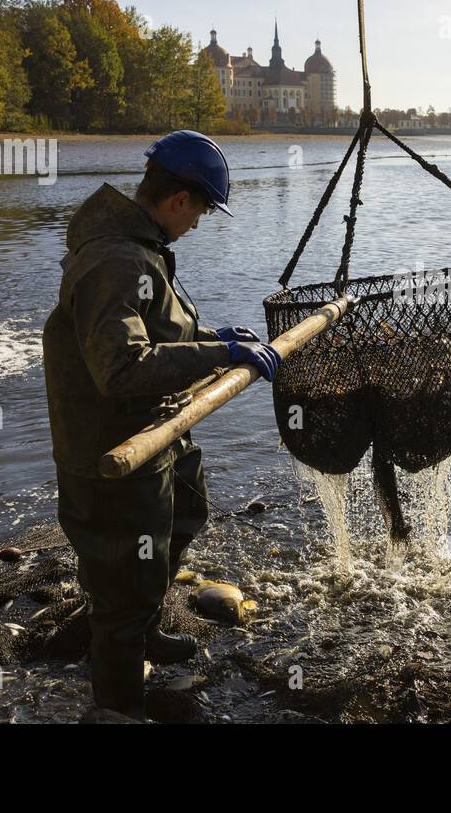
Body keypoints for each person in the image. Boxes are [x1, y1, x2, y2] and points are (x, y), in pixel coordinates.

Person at [42, 130, 282, 721]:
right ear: (179, 199)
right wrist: (221, 357)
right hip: (115, 453)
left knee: (186, 517)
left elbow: (159, 335)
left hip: (161, 435)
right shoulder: (117, 260)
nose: (200, 222)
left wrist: (214, 338)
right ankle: (118, 702)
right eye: (201, 209)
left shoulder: (139, 246)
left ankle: (142, 628)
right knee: (124, 584)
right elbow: (121, 370)